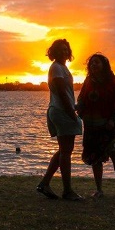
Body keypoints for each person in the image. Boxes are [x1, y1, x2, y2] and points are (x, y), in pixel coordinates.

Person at [76, 53, 115, 199]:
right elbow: (81, 100)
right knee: (95, 158)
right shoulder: (88, 82)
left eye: (97, 62)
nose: (94, 65)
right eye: (92, 63)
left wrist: (113, 120)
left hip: (109, 128)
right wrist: (80, 112)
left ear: (104, 65)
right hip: (91, 127)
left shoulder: (112, 83)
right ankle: (99, 190)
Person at [36, 39, 84, 201]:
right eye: (61, 49)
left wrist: (75, 106)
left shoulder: (62, 67)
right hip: (61, 111)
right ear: (54, 52)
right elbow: (62, 93)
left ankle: (45, 183)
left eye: (66, 49)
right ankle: (67, 191)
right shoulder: (56, 68)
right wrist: (71, 113)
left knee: (64, 150)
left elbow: (66, 95)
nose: (64, 52)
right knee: (66, 151)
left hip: (62, 110)